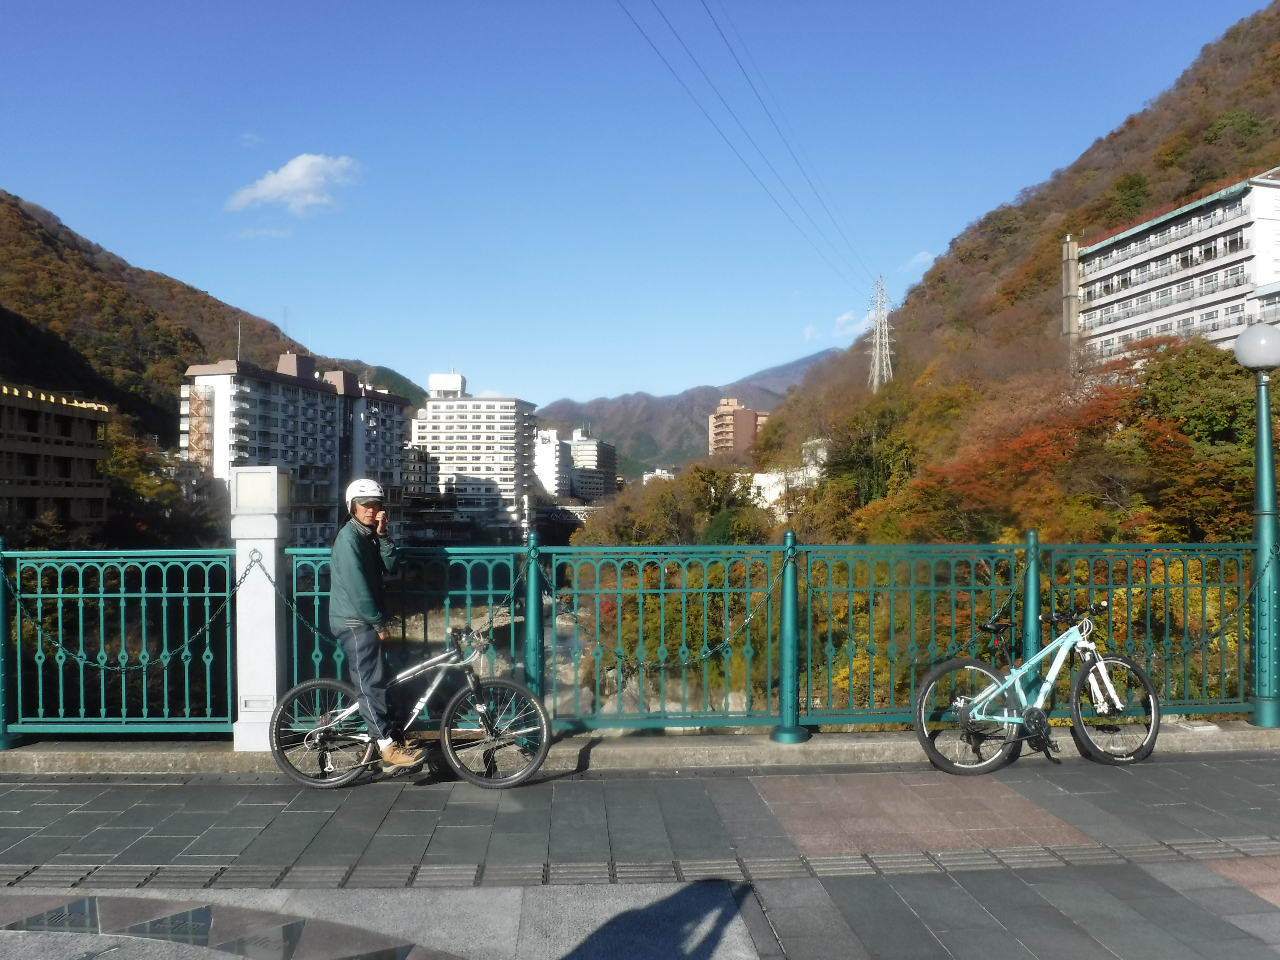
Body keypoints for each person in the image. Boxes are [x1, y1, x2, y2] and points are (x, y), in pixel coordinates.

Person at [328, 478, 424, 771]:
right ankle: (385, 747)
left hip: (362, 621)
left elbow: (390, 566)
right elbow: (359, 590)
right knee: (369, 685)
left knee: (380, 681)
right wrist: (378, 623)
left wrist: (382, 535)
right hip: (356, 622)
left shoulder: (365, 535)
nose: (371, 510)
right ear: (352, 507)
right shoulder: (349, 540)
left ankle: (392, 737)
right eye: (365, 505)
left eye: (376, 505)